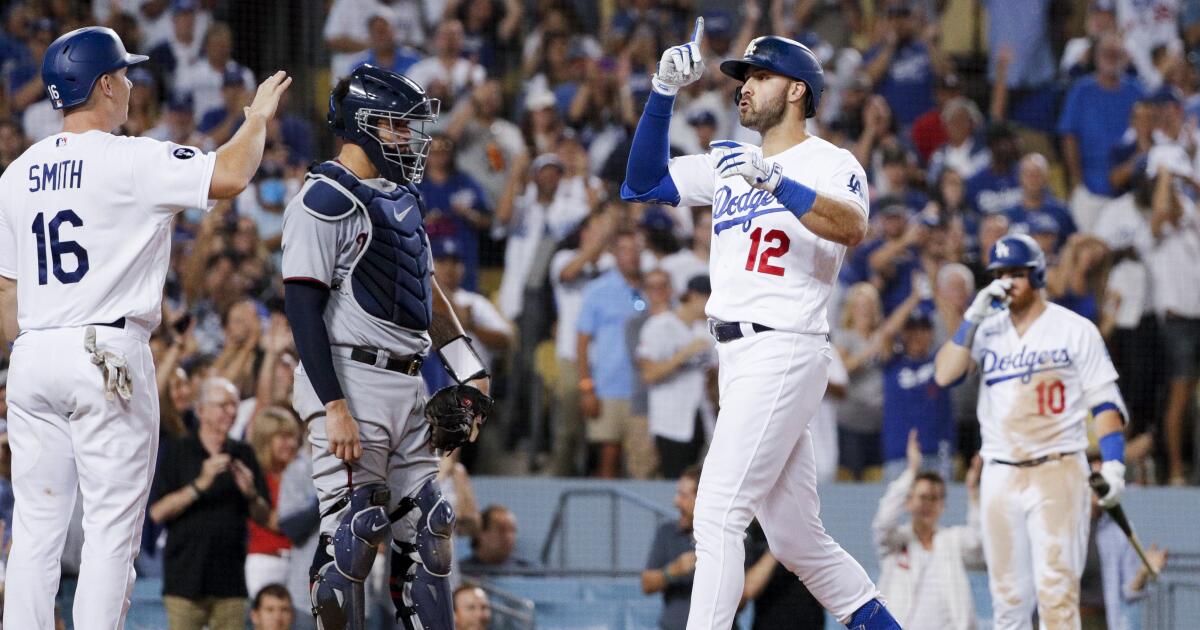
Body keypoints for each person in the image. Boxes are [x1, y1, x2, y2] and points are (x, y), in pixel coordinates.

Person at [0, 26, 289, 630]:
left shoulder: (17, 174)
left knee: (34, 528)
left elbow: (6, 294)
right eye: (124, 75)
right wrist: (257, 116)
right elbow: (231, 174)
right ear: (104, 85)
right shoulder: (130, 157)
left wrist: (34, 351)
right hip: (104, 350)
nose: (132, 84)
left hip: (32, 353)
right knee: (109, 529)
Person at [621, 26, 899, 629]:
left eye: (759, 76)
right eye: (743, 79)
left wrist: (774, 179)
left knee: (717, 513)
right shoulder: (729, 160)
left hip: (784, 343)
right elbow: (642, 182)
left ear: (798, 90)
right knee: (798, 541)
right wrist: (662, 91)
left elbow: (852, 226)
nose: (745, 88)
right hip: (738, 357)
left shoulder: (831, 160)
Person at [280, 64, 492, 629]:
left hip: (410, 381)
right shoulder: (321, 198)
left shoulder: (400, 197)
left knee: (431, 526)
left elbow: (424, 288)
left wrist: (469, 368)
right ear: (363, 124)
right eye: (399, 126)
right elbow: (301, 307)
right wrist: (334, 405)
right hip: (349, 380)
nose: (411, 139)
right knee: (354, 532)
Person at [933, 234, 1130, 629]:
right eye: (1000, 274)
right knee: (1008, 602)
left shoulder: (1075, 329)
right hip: (1000, 472)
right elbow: (945, 374)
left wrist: (1114, 465)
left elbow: (1106, 403)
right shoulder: (986, 330)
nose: (1007, 282)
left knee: (1057, 595)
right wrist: (970, 317)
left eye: (1016, 273)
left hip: (1057, 468)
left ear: (1037, 274)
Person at [148, 377, 272, 629]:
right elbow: (157, 512)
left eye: (234, 405)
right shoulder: (178, 450)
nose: (231, 411)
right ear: (201, 410)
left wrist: (250, 493)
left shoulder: (243, 453)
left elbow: (264, 515)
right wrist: (199, 485)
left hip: (231, 581)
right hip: (184, 581)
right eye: (223, 405)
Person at [873, 429, 984, 630]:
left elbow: (979, 541)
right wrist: (911, 471)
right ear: (908, 501)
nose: (928, 505)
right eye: (923, 497)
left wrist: (973, 491)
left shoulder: (952, 540)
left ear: (943, 505)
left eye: (935, 499)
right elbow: (884, 520)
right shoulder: (895, 542)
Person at [636, 275, 716, 478]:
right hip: (670, 418)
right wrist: (685, 353)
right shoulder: (660, 326)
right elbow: (648, 373)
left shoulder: (706, 330)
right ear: (693, 296)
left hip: (701, 416)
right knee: (673, 480)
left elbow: (711, 376)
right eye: (708, 297)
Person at [641, 465, 702, 630]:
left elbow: (741, 600)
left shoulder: (729, 538)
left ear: (702, 499)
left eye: (683, 496)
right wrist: (675, 570)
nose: (676, 502)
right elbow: (646, 584)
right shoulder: (666, 532)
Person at [460, 504, 532, 574]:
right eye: (501, 530)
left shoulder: (529, 573)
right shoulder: (460, 574)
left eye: (513, 530)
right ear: (480, 533)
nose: (509, 537)